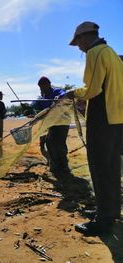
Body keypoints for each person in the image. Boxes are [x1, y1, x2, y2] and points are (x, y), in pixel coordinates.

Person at [65, 21, 123, 236]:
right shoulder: (112, 53)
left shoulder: (95, 53)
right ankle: (111, 209)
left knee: (100, 169)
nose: (78, 47)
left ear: (85, 37)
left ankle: (104, 219)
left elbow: (92, 90)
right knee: (112, 167)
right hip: (118, 119)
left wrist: (72, 93)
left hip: (103, 119)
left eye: (78, 42)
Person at [30, 76, 71, 176]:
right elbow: (36, 104)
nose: (41, 89)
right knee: (49, 142)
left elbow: (63, 94)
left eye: (42, 87)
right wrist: (28, 107)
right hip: (52, 123)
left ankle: (64, 166)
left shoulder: (57, 91)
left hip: (62, 122)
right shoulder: (43, 97)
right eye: (40, 87)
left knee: (59, 143)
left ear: (48, 84)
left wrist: (59, 97)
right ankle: (55, 165)